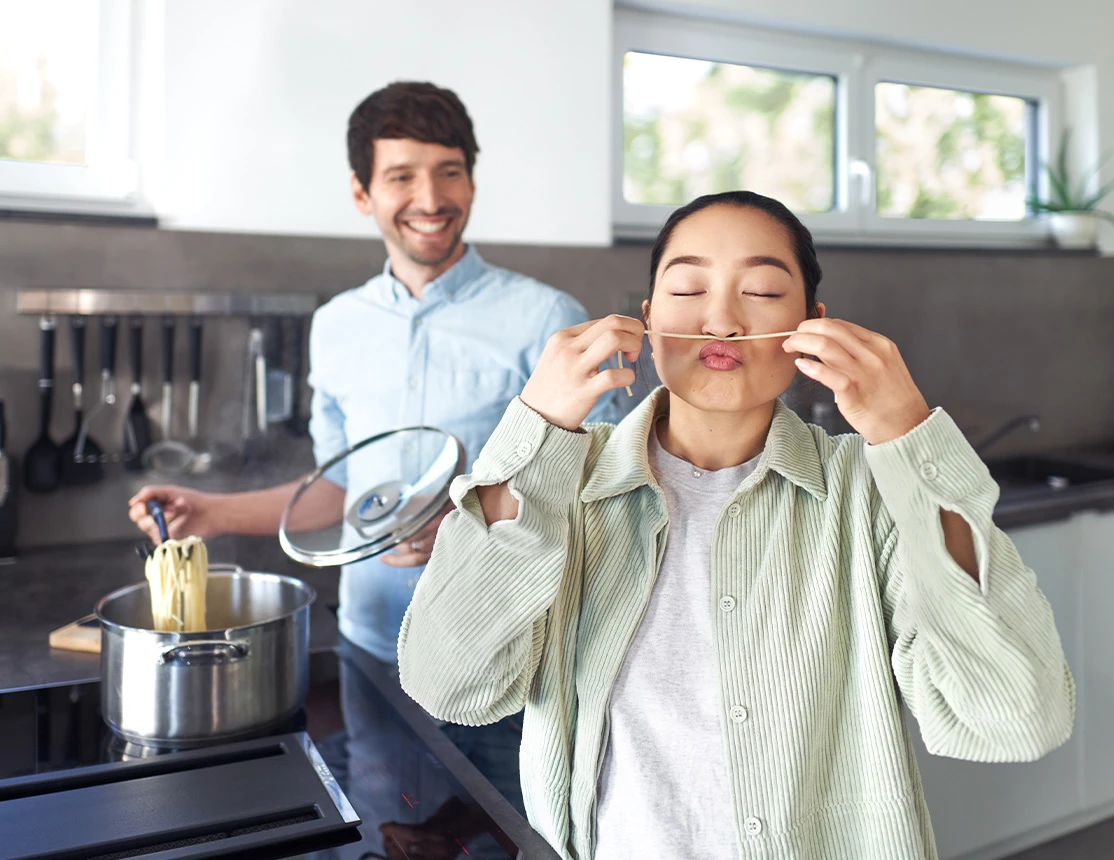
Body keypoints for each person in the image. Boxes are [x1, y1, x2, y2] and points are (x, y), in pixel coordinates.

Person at [397, 190, 1075, 860]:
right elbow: (450, 684)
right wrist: (534, 433)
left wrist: (911, 438)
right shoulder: (562, 481)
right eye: (689, 290)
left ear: (813, 323)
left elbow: (1013, 721)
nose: (720, 320)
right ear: (648, 319)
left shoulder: (867, 491)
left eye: (761, 292)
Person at [128, 81, 623, 816]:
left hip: (504, 661)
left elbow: (606, 490)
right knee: (384, 832)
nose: (431, 197)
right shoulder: (337, 326)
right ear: (363, 195)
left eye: (449, 171)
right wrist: (213, 512)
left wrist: (471, 522)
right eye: (402, 176)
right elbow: (341, 495)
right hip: (372, 652)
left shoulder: (547, 319)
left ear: (472, 182)